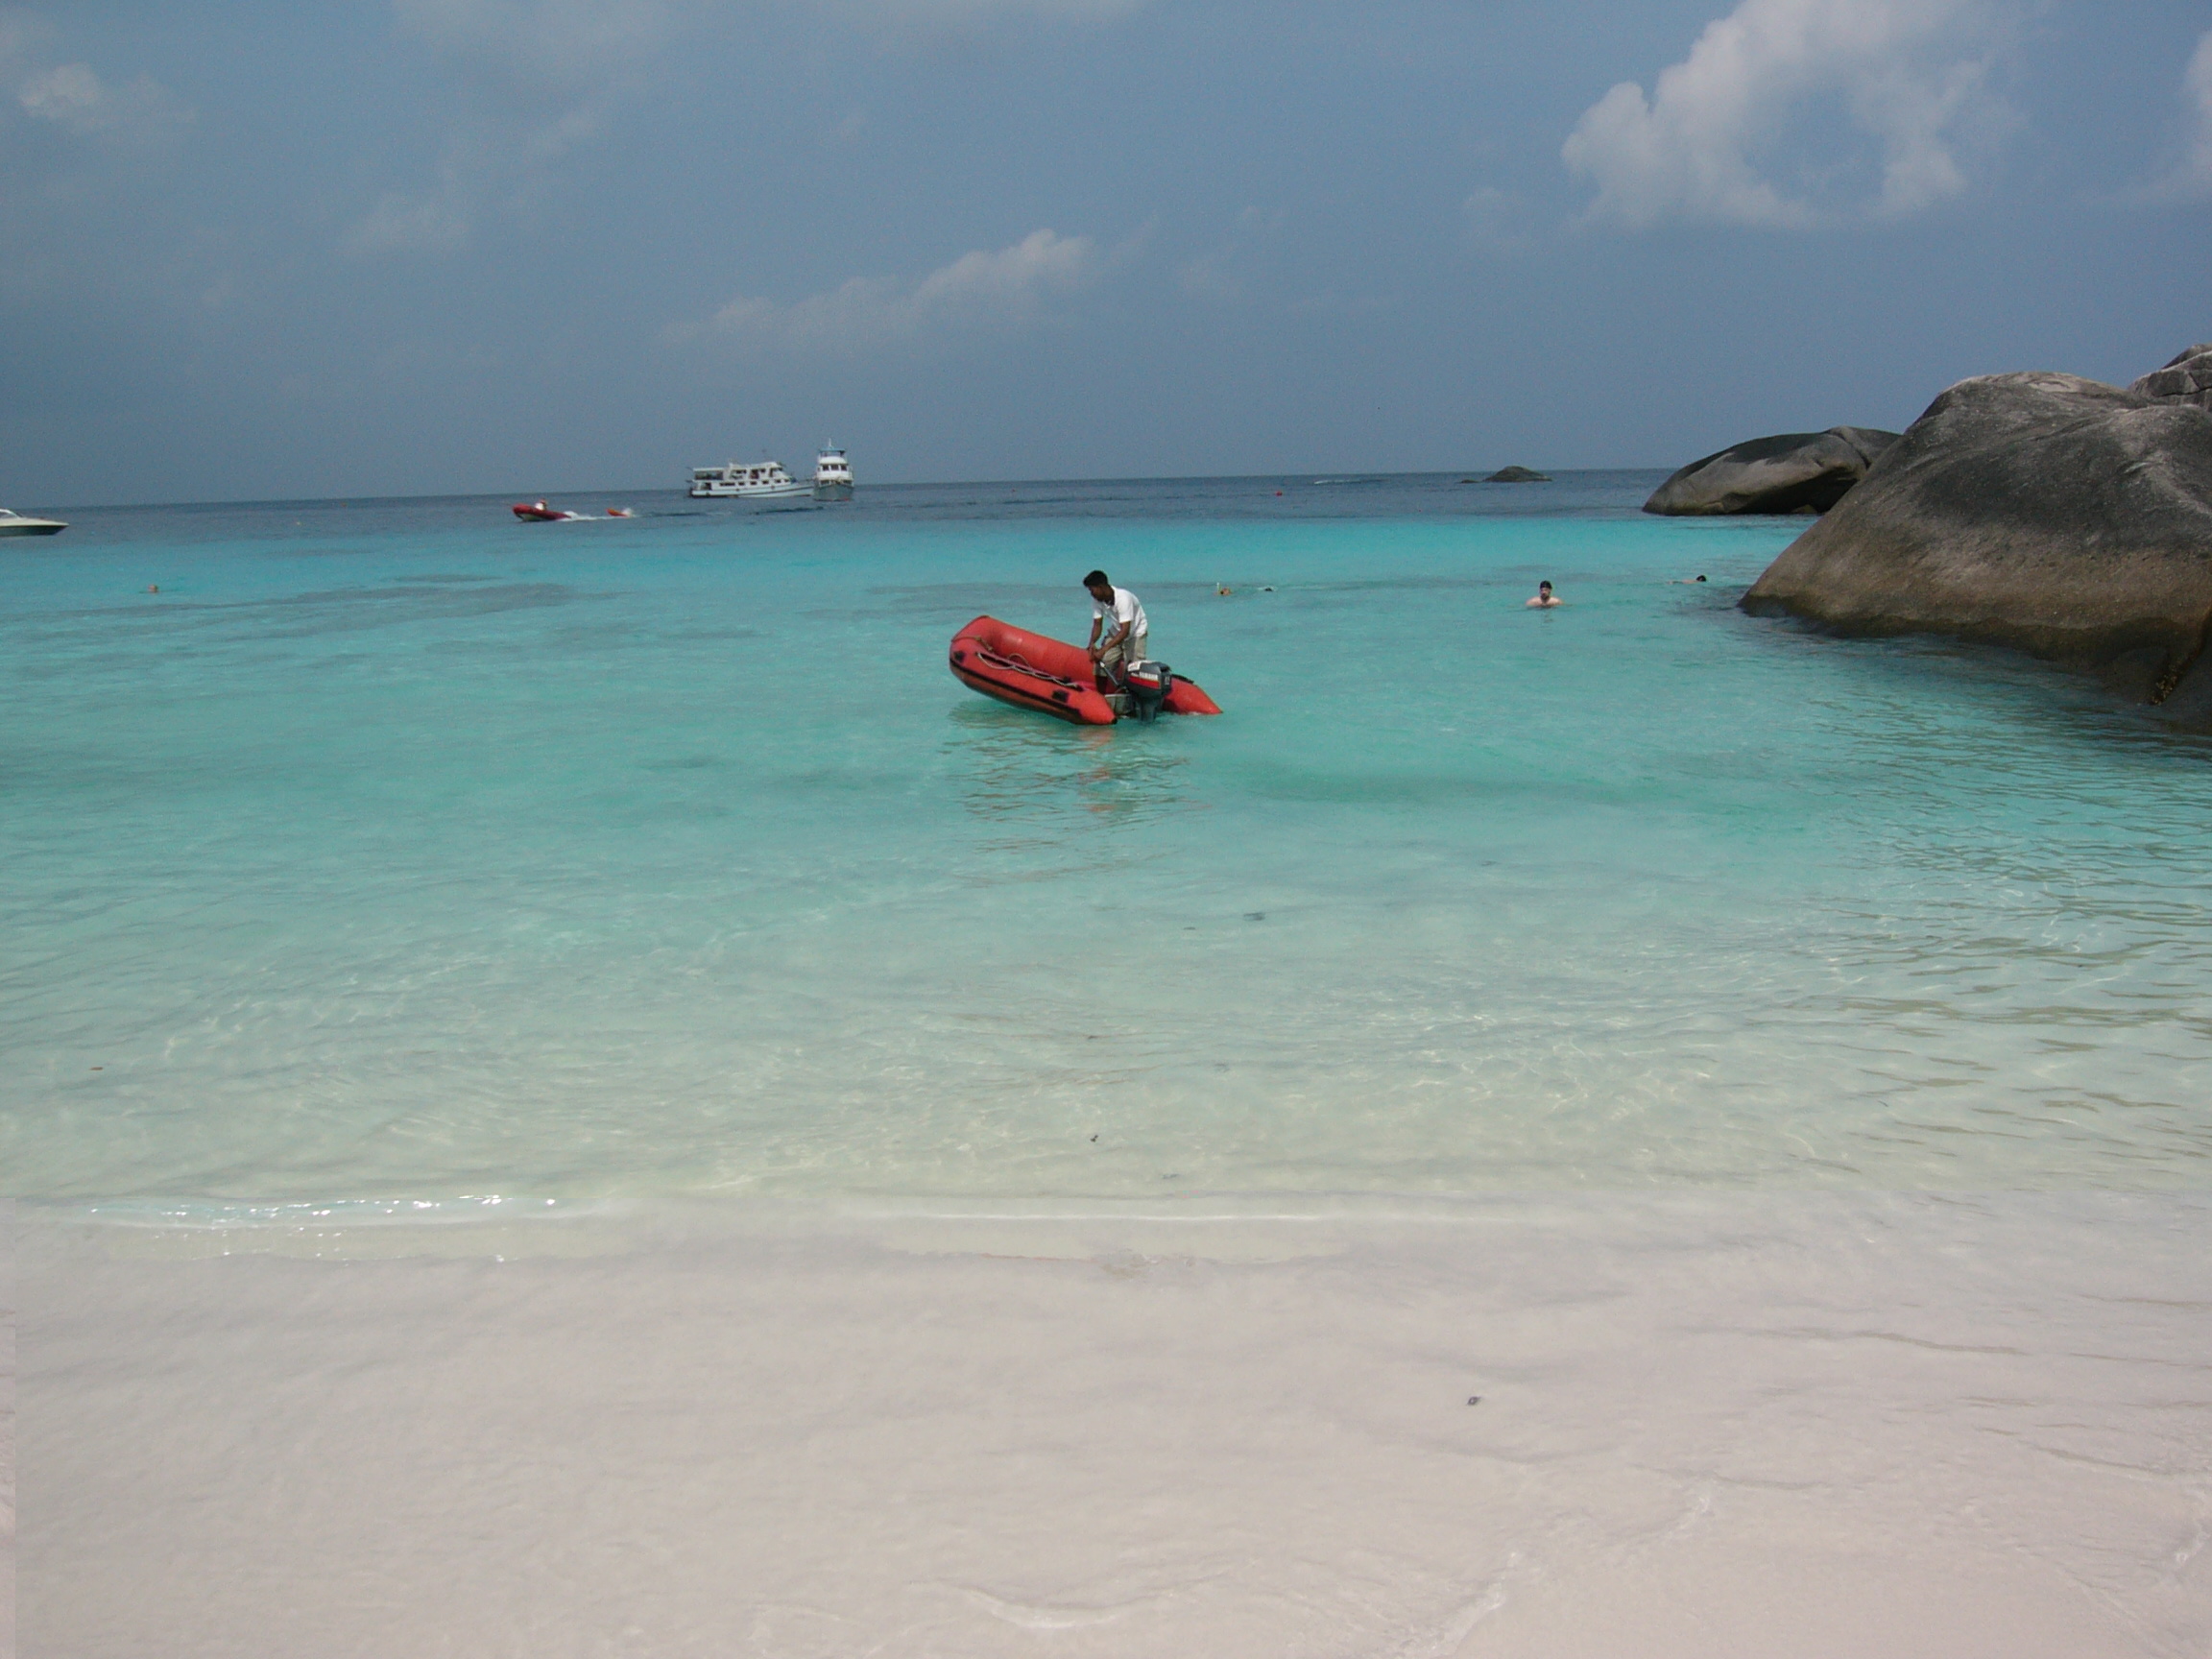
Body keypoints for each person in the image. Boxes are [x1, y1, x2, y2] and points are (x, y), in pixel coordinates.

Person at [1084, 570, 1148, 670]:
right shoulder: (1097, 601)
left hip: (1135, 633)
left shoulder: (1123, 599)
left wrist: (1103, 650)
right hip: (1116, 631)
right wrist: (1092, 643)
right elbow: (1097, 624)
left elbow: (1125, 631)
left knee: (1134, 669)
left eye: (1092, 590)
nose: (1091, 594)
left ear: (1101, 587)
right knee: (1102, 664)